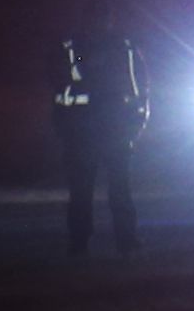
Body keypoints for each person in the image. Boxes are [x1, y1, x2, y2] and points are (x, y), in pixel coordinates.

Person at [53, 16, 151, 255]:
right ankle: (110, 240)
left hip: (99, 129)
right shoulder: (84, 49)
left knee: (103, 189)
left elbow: (138, 87)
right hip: (96, 129)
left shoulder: (108, 48)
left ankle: (98, 241)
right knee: (99, 189)